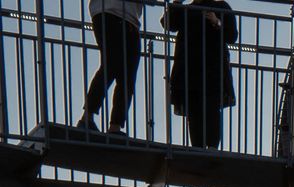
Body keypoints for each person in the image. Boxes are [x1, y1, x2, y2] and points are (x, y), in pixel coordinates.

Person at [164, 0, 237, 149]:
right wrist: (176, 3)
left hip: (213, 69)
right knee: (194, 111)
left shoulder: (221, 7)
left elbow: (232, 36)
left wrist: (216, 22)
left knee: (211, 108)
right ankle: (198, 147)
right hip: (189, 69)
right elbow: (168, 24)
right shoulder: (186, 9)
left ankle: (212, 147)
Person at [76, 0, 147, 135]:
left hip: (127, 19)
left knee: (126, 76)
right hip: (110, 13)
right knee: (112, 66)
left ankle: (113, 125)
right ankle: (88, 117)